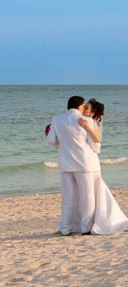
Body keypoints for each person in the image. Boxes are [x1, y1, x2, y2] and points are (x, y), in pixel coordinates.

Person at [79, 98, 128, 235]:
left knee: (94, 191)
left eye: (86, 108)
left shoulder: (93, 123)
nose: (83, 110)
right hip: (87, 161)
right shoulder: (85, 121)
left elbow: (97, 142)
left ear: (92, 113)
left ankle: (99, 220)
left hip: (91, 161)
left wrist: (86, 127)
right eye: (83, 107)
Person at [45, 96, 101, 235]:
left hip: (65, 162)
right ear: (80, 106)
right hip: (84, 163)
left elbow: (51, 141)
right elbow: (95, 145)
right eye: (83, 106)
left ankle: (65, 228)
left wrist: (65, 143)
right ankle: (85, 227)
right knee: (87, 196)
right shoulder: (87, 120)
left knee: (68, 197)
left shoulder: (56, 120)